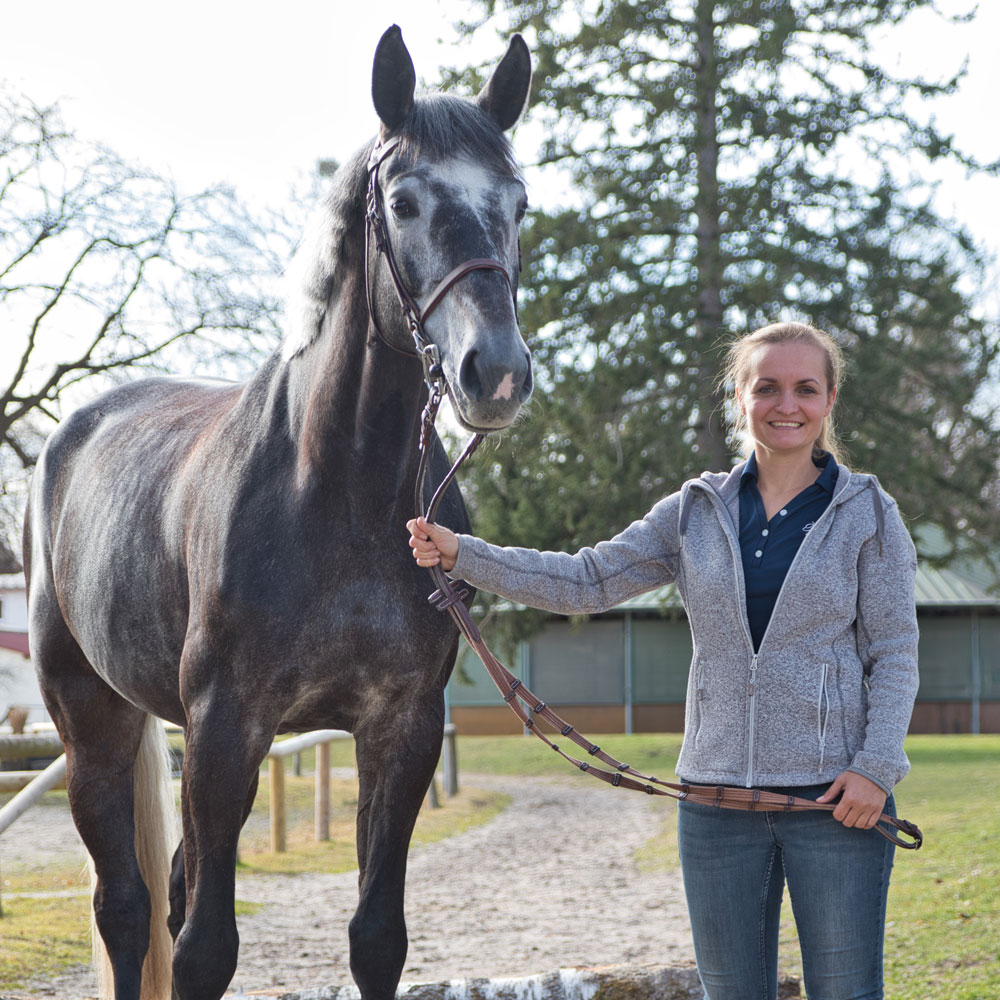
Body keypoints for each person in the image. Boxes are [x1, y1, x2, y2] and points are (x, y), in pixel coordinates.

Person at [406, 321, 919, 1000]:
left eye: (805, 388)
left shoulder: (869, 515)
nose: (785, 404)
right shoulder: (694, 511)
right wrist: (463, 553)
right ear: (740, 397)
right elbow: (586, 580)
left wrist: (874, 770)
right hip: (712, 802)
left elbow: (895, 653)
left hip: (836, 803)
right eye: (766, 387)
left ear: (828, 402)